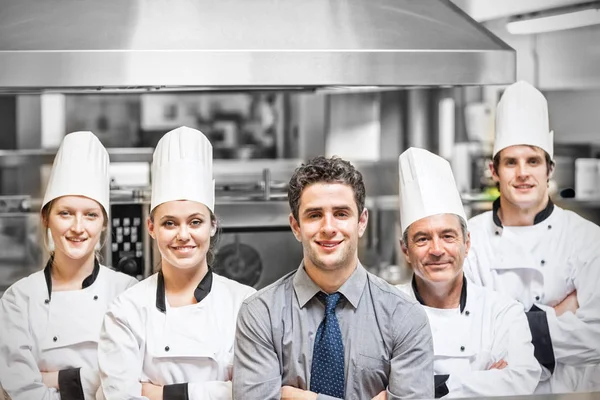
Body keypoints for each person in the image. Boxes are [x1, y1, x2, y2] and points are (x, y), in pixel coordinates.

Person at [233, 156, 434, 400]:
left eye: (340, 213)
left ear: (361, 222)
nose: (328, 227)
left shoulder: (404, 315)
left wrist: (303, 398)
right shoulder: (260, 314)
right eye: (315, 215)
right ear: (296, 226)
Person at [98, 126, 256, 400]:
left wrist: (160, 394)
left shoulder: (247, 305)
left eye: (195, 221)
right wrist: (220, 391)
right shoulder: (126, 311)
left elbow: (256, 392)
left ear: (212, 225)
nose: (183, 235)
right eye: (169, 223)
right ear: (151, 227)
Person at [465, 80, 600, 393]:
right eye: (511, 162)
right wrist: (561, 314)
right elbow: (464, 331)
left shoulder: (587, 239)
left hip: (571, 395)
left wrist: (515, 331)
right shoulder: (469, 238)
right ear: (494, 171)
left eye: (533, 161)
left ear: (549, 169)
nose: (522, 173)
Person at [0, 131, 138, 400]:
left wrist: (50, 379)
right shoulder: (18, 298)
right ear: (46, 218)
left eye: (90, 215)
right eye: (65, 213)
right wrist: (97, 378)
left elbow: (134, 381)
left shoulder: (128, 292)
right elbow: (16, 390)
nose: (78, 227)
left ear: (103, 223)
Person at [395, 147, 541, 398]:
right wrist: (486, 381)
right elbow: (370, 387)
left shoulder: (503, 312)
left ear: (467, 242)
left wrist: (432, 386)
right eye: (422, 239)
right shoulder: (386, 310)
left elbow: (522, 381)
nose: (437, 249)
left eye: (448, 236)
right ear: (405, 250)